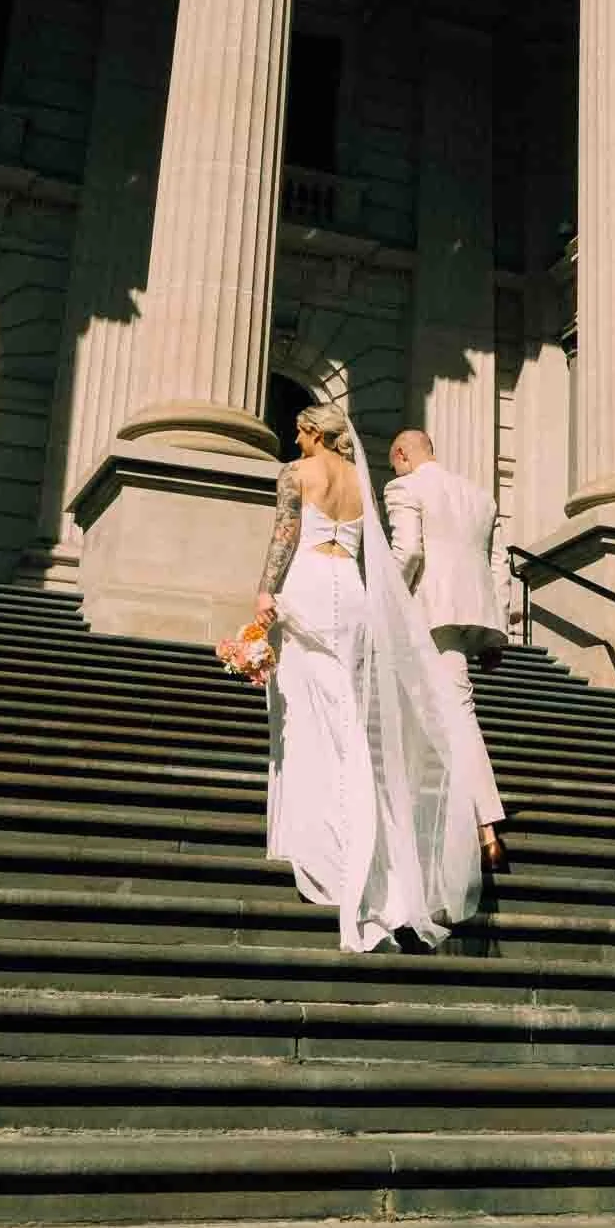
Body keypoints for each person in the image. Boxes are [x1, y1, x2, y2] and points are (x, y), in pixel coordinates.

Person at [252, 404, 485, 952]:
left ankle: (321, 841)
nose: (296, 438)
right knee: (349, 719)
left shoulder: (295, 472)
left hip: (307, 585)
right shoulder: (362, 480)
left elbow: (284, 536)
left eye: (299, 431)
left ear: (312, 433)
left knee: (303, 715)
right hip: (351, 599)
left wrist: (265, 589)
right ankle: (370, 842)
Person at [385, 429, 509, 869]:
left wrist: (383, 602)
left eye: (393, 460)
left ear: (401, 454)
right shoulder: (480, 496)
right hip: (470, 611)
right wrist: (498, 632)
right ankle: (471, 821)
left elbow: (408, 553)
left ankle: (484, 825)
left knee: (455, 713)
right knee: (447, 709)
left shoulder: (403, 486)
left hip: (427, 611)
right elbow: (499, 563)